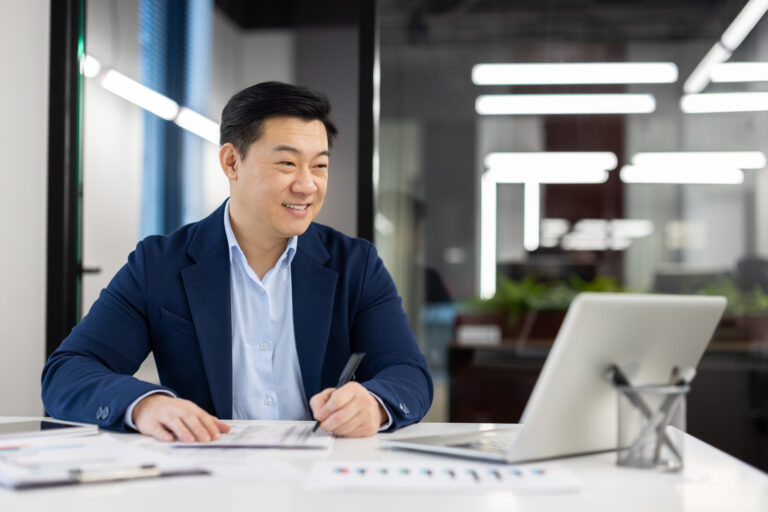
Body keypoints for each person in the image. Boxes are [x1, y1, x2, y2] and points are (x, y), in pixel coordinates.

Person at [41, 81, 433, 442]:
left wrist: (375, 404)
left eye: (319, 165)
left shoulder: (355, 264)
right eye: (286, 164)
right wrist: (145, 405)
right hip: (209, 473)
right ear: (231, 163)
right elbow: (68, 372)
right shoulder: (159, 264)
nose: (307, 184)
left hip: (323, 474)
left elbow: (408, 372)